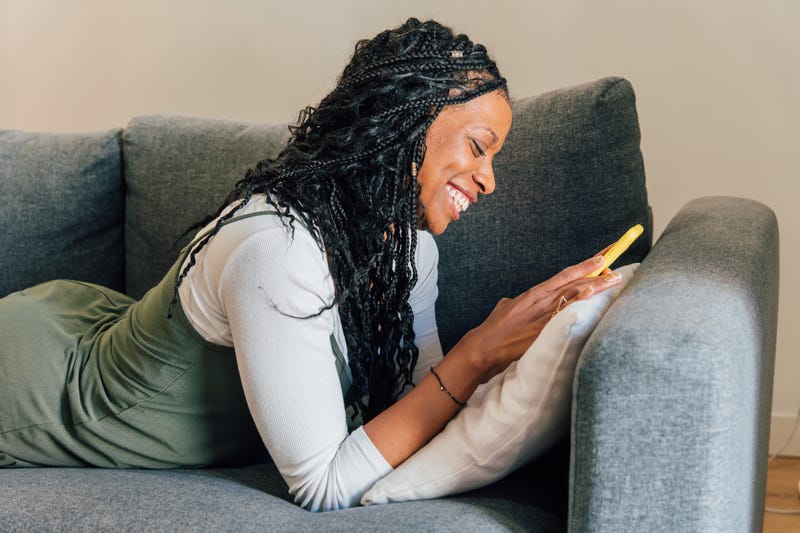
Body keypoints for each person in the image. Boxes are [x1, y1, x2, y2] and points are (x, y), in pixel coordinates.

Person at [0, 18, 620, 511]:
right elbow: (324, 486)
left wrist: (523, 335)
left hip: (94, 324)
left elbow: (415, 398)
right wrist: (480, 351)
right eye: (479, 147)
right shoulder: (280, 252)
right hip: (40, 388)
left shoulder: (411, 248)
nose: (488, 180)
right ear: (406, 126)